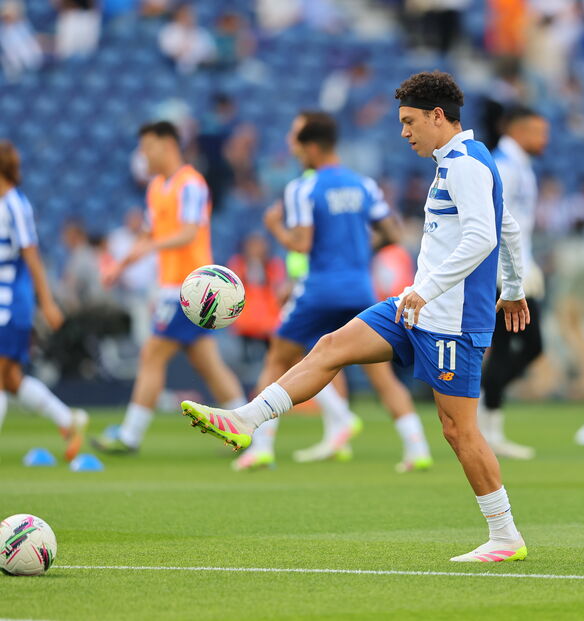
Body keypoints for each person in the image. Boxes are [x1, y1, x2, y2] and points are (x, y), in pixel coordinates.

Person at [181, 71, 531, 563]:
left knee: (458, 431)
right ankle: (245, 420)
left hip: (451, 319)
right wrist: (512, 289)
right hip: (418, 307)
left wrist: (439, 290)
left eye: (410, 122)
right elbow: (507, 226)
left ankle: (504, 534)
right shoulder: (454, 161)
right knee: (330, 347)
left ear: (437, 116)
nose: (404, 132)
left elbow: (485, 236)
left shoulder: (468, 164)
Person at [231, 111, 433, 473]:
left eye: (298, 148)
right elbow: (391, 232)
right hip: (358, 287)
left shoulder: (303, 188)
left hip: (320, 289)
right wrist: (358, 251)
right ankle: (416, 446)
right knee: (380, 375)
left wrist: (274, 227)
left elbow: (301, 244)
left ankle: (260, 445)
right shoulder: (363, 185)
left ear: (310, 148)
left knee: (278, 359)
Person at [92, 121, 247, 454]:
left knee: (151, 354)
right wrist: (120, 266)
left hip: (191, 287)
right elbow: (150, 233)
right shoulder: (156, 187)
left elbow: (189, 233)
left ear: (166, 144)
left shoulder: (190, 184)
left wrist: (150, 248)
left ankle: (130, 435)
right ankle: (250, 430)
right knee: (208, 364)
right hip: (172, 288)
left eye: (146, 146)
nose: (142, 154)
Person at [0, 141, 87, 460]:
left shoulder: (15, 205)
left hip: (10, 303)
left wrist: (47, 302)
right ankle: (68, 420)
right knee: (9, 379)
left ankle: (69, 420)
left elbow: (32, 256)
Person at [478, 106, 548, 460]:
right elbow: (496, 220)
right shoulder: (504, 164)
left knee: (509, 348)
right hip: (506, 274)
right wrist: (512, 274)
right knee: (529, 345)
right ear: (519, 130)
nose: (544, 139)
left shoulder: (518, 164)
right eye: (538, 131)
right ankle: (485, 415)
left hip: (519, 268)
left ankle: (490, 425)